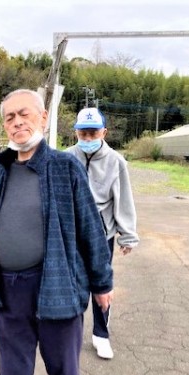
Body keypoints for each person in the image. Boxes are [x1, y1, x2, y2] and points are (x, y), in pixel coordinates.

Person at [0, 89, 114, 375]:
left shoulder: (64, 166)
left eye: (24, 114)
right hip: (9, 291)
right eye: (9, 117)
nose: (17, 122)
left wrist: (102, 283)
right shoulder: (1, 169)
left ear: (43, 117)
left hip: (56, 285)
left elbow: (90, 227)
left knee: (63, 368)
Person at [65, 107, 139, 359]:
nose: (87, 139)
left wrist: (127, 236)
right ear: (76, 132)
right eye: (82, 133)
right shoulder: (65, 158)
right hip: (72, 235)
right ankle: (72, 337)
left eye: (93, 133)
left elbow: (124, 200)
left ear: (104, 132)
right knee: (73, 285)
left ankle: (101, 335)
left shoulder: (116, 162)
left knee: (101, 283)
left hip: (101, 235)